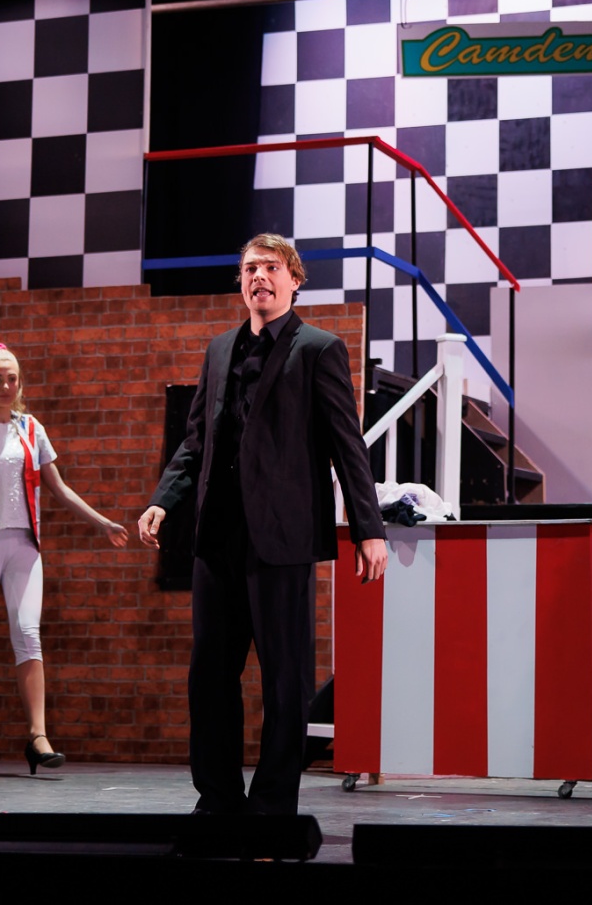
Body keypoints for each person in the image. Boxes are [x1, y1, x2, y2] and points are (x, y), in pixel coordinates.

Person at [138, 233, 388, 816]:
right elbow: (196, 440)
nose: (259, 277)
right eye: (251, 268)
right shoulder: (219, 349)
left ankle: (273, 804)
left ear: (294, 279)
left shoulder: (318, 349)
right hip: (217, 538)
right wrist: (163, 500)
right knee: (210, 676)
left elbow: (346, 444)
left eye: (272, 268)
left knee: (284, 678)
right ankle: (218, 799)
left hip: (281, 540)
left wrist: (368, 527)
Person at [0, 343, 129, 775]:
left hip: (24, 545)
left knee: (28, 633)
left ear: (20, 383)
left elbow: (59, 487)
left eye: (12, 378)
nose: (6, 386)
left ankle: (38, 737)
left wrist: (103, 523)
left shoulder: (30, 427)